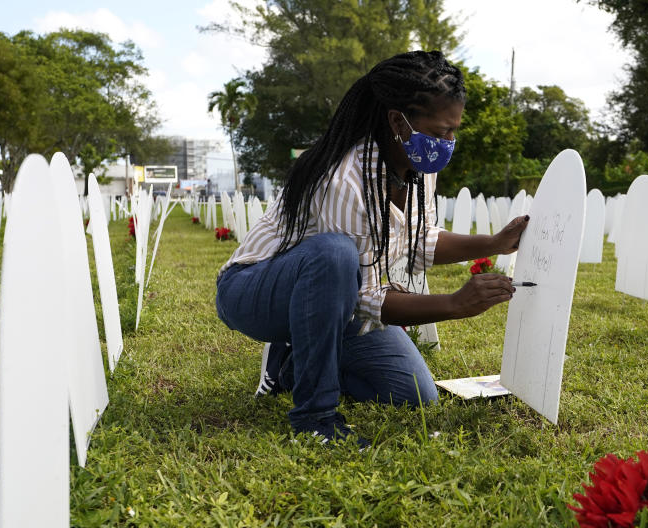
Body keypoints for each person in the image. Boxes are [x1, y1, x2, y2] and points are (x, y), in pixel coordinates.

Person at [215, 50, 529, 445]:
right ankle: (315, 418)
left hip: (334, 298)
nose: (449, 142)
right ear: (398, 121)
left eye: (454, 131)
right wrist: (453, 304)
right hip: (256, 290)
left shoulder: (416, 168)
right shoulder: (343, 178)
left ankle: (289, 366)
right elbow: (364, 297)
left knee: (414, 394)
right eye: (441, 131)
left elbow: (420, 239)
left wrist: (494, 242)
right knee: (334, 253)